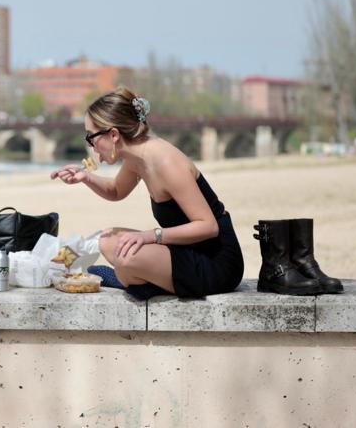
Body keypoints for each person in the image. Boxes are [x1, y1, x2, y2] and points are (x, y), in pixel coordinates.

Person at [50, 87, 244, 298]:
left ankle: (132, 281)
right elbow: (116, 191)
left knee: (126, 259)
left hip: (215, 261)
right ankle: (137, 279)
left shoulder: (166, 162)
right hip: (184, 249)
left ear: (113, 134)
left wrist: (151, 236)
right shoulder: (137, 158)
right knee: (106, 239)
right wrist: (86, 177)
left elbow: (209, 227)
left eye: (91, 137)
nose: (91, 146)